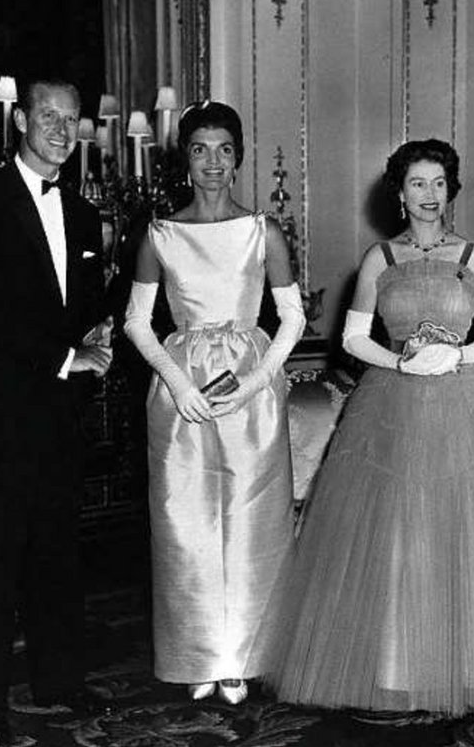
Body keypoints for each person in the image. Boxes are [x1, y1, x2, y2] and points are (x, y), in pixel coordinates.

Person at [251, 139, 474, 716]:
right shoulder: (380, 258)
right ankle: (398, 667)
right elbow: (353, 337)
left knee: (466, 531)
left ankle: (473, 667)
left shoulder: (473, 257)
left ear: (450, 189)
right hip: (392, 404)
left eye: (438, 183)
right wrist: (401, 363)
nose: (429, 195)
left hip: (463, 405)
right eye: (418, 183)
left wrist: (454, 355)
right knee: (399, 533)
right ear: (400, 193)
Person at [0, 78, 114, 747]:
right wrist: (67, 356)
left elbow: (85, 302)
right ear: (19, 120)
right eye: (48, 116)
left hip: (59, 415)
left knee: (56, 556)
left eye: (72, 119)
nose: (62, 130)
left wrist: (99, 334)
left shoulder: (85, 213)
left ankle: (58, 680)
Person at [123, 100, 305, 706]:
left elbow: (292, 317)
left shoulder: (262, 231)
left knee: (253, 521)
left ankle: (243, 659)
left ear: (238, 157)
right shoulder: (160, 235)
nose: (213, 162)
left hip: (250, 387)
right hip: (183, 390)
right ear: (186, 158)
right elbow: (136, 322)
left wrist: (255, 382)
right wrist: (178, 384)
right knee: (186, 523)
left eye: (224, 149)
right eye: (201, 149)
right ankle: (201, 653)